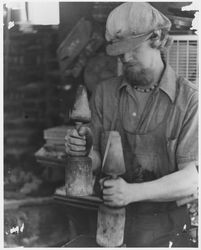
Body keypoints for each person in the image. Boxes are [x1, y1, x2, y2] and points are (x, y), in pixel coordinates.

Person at [65, 2, 198, 247]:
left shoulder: (190, 100)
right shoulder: (105, 93)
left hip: (169, 230)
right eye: (119, 51)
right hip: (110, 224)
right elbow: (94, 157)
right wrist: (82, 153)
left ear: (157, 38)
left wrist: (131, 193)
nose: (125, 57)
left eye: (132, 49)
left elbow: (192, 178)